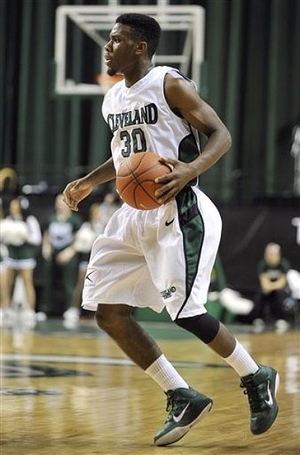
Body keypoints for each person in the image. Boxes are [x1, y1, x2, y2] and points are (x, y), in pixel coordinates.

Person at [63, 14, 279, 446]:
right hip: (132, 213)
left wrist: (190, 171)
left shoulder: (169, 83)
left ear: (140, 46)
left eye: (116, 39)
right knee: (107, 309)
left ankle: (256, 377)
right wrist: (89, 180)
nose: (107, 47)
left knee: (186, 312)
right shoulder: (112, 101)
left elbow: (221, 134)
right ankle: (181, 394)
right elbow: (128, 160)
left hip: (178, 208)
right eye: (109, 39)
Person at [38, 193, 82, 319]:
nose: (59, 204)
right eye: (57, 202)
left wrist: (69, 252)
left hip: (67, 252)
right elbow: (47, 234)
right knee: (47, 280)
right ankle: (45, 308)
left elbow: (79, 239)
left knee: (69, 281)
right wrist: (46, 247)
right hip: (53, 251)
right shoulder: (51, 218)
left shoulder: (74, 219)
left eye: (62, 202)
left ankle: (71, 308)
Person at [0, 197, 42, 327]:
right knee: (6, 284)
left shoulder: (30, 220)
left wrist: (25, 236)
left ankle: (30, 310)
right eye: (12, 206)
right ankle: (5, 309)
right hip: (11, 255)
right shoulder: (7, 221)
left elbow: (37, 239)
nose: (13, 209)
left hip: (25, 256)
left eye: (16, 206)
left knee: (27, 283)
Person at [250, 242, 292, 332]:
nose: (268, 256)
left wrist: (271, 287)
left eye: (271, 254)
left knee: (279, 294)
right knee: (260, 293)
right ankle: (259, 318)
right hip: (267, 289)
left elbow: (282, 282)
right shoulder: (263, 264)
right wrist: (267, 287)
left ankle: (282, 318)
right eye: (267, 253)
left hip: (279, 289)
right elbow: (263, 281)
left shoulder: (283, 264)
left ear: (277, 254)